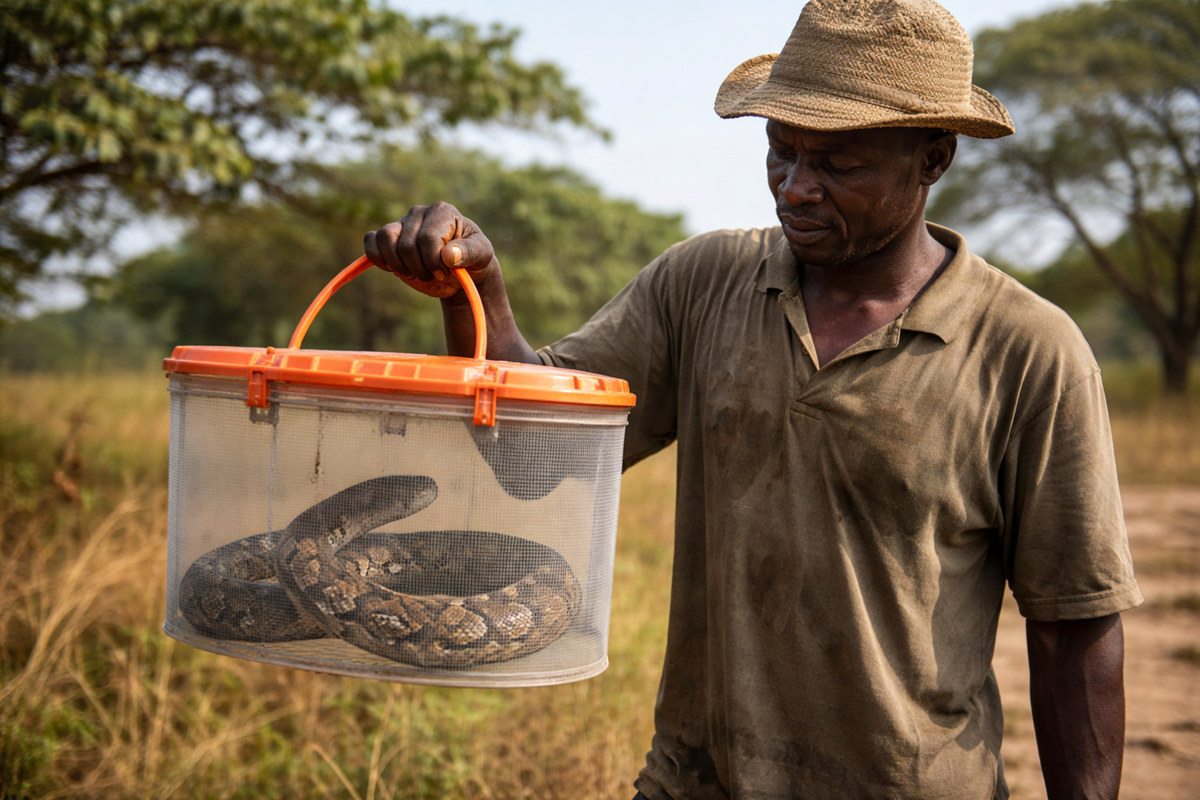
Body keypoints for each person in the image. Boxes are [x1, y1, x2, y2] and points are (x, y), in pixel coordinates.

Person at [363, 1, 1142, 797]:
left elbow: (1073, 629)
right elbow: (532, 455)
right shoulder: (701, 286)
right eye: (781, 151)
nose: (795, 188)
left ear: (932, 159)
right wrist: (475, 296)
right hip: (696, 780)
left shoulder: (1027, 351)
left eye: (838, 165)